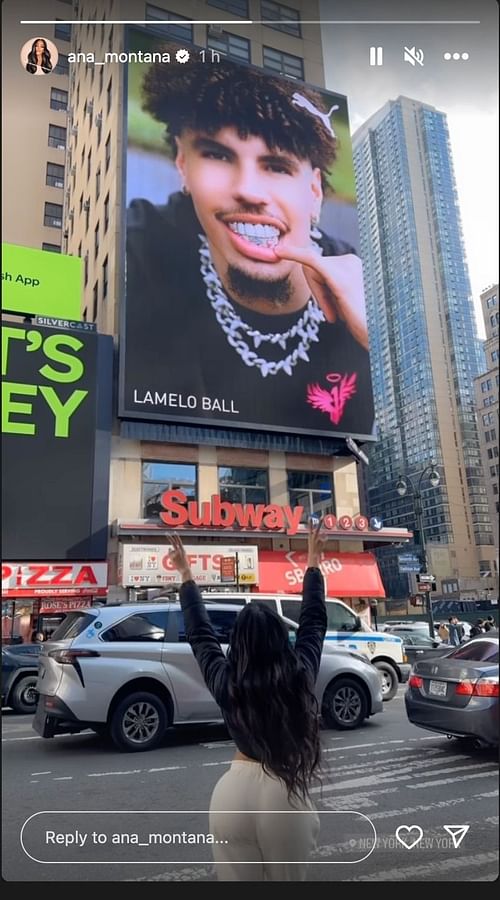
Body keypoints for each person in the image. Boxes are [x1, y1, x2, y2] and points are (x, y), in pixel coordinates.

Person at [124, 50, 374, 438]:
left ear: (314, 189)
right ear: (182, 164)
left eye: (276, 166)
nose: (249, 191)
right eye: (218, 155)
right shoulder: (135, 250)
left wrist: (376, 341)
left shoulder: (366, 293)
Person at [167, 519, 328, 881]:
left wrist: (186, 574)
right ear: (279, 638)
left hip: (229, 795)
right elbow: (314, 621)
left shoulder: (228, 682)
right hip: (283, 792)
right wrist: (313, 563)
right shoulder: (299, 673)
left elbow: (200, 633)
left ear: (237, 643)